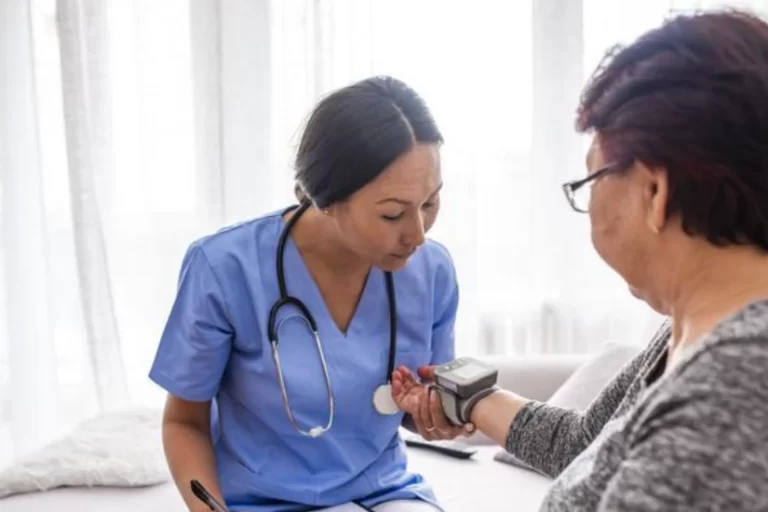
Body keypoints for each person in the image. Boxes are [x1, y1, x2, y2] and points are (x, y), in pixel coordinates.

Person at [392, 9, 768, 511]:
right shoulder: (688, 334)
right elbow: (585, 443)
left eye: (591, 181)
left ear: (655, 192)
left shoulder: (733, 391)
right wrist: (472, 400)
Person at [148, 75, 468, 512]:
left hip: (386, 492)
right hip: (260, 502)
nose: (417, 234)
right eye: (393, 214)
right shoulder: (225, 268)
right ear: (325, 198)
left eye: (430, 203)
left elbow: (416, 411)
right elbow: (185, 422)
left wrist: (436, 417)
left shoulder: (432, 271)